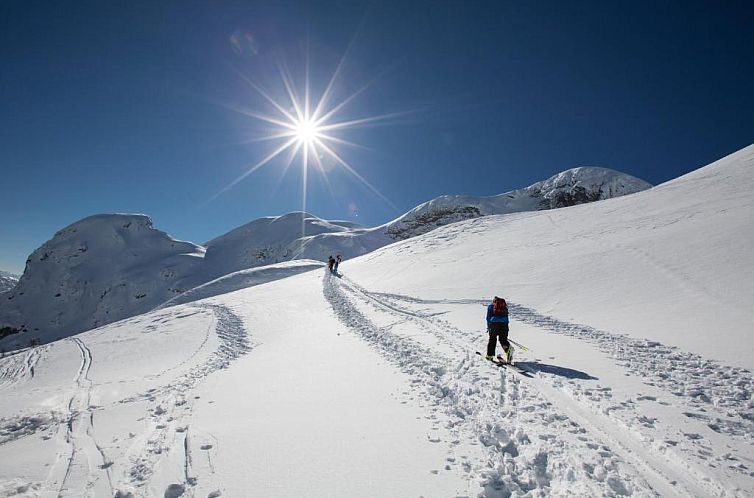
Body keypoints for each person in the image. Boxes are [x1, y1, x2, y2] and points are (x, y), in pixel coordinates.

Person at [486, 296, 512, 363]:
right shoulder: (505, 307)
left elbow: (488, 318)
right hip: (504, 324)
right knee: (503, 339)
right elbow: (506, 318)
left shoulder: (491, 306)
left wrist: (489, 326)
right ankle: (508, 350)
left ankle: (489, 356)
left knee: (492, 339)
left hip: (494, 324)